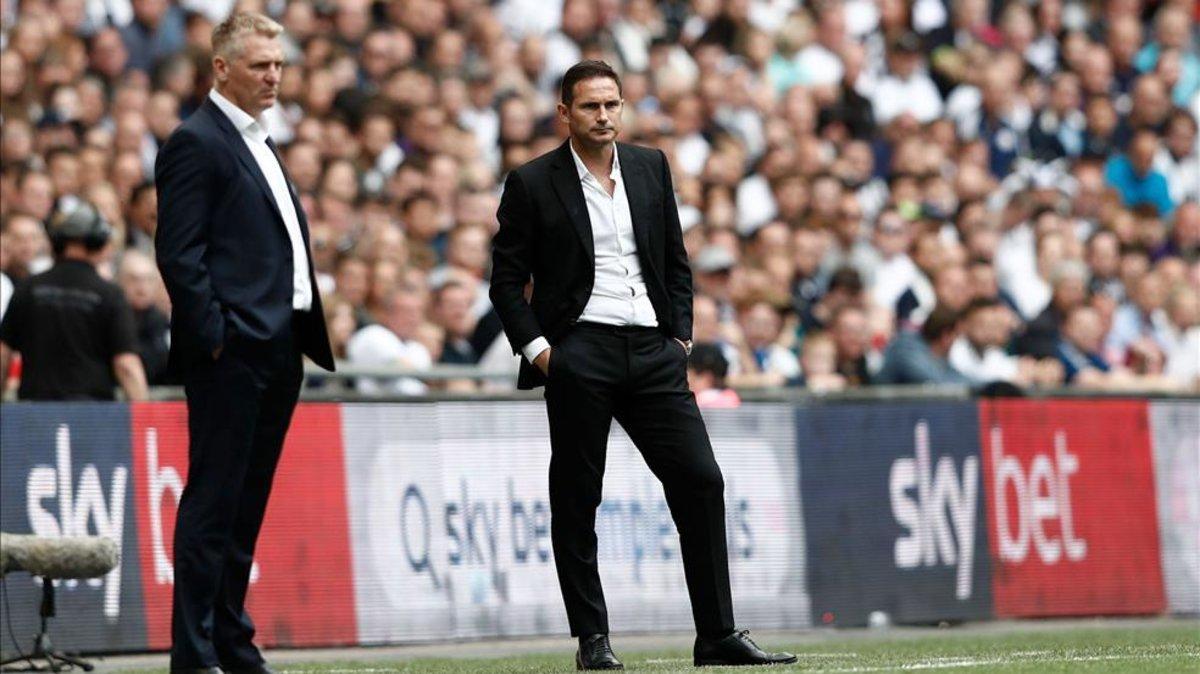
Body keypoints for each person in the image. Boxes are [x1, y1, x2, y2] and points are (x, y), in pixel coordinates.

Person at [489, 60, 795, 670]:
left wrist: (680, 335)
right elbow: (505, 283)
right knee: (578, 497)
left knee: (701, 480)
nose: (603, 116)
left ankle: (716, 634)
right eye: (590, 106)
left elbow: (675, 260)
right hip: (581, 354)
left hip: (654, 351)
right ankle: (592, 639)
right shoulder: (532, 182)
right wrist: (546, 354)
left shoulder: (651, 167)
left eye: (612, 104)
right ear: (564, 114)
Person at [153, 13, 334, 674]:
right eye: (260, 64)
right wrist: (217, 339)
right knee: (214, 504)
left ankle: (230, 639)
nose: (273, 76)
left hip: (280, 347)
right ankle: (195, 653)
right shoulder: (197, 142)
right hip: (235, 352)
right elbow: (179, 254)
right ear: (221, 68)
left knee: (246, 508)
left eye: (279, 65)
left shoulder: (260, 139)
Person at [0, 203, 148, 401]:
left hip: (35, 415)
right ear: (96, 242)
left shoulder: (29, 288)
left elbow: (3, 354)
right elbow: (127, 366)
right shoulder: (109, 294)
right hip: (91, 416)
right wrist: (145, 417)